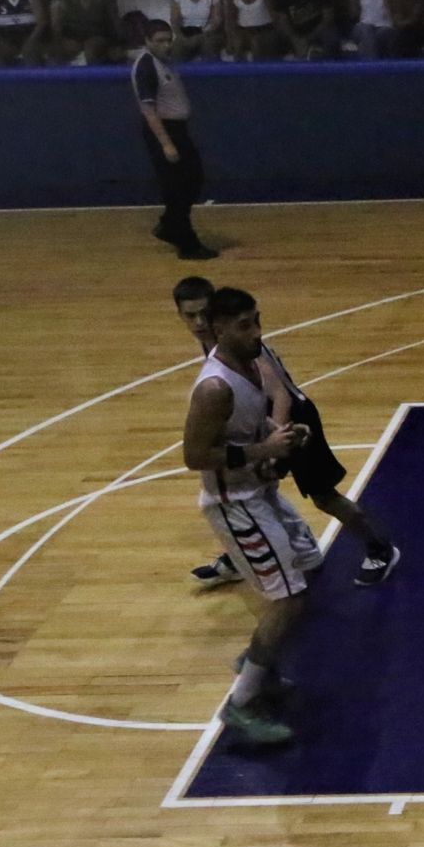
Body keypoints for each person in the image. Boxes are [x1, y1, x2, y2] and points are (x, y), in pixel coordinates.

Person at [174, 277, 402, 589]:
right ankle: (245, 556)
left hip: (291, 418)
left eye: (203, 314)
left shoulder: (245, 343)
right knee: (252, 493)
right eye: (190, 316)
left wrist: (276, 444)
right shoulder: (216, 346)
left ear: (218, 318)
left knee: (324, 497)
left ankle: (380, 547)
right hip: (263, 427)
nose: (199, 323)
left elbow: (279, 395)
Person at [182, 287, 316, 745]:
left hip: (258, 491)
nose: (256, 331)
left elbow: (256, 424)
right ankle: (241, 704)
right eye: (244, 325)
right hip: (234, 506)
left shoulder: (253, 364)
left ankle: (262, 667)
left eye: (257, 320)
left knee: (305, 574)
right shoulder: (214, 388)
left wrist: (280, 436)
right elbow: (195, 455)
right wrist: (262, 449)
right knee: (289, 598)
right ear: (218, 329)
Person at [132, 20, 217, 261]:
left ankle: (170, 225)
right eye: (159, 40)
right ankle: (186, 242)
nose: (166, 45)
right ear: (147, 41)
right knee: (177, 187)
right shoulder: (146, 66)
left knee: (191, 179)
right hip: (166, 130)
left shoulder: (163, 62)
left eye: (168, 40)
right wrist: (166, 143)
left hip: (177, 128)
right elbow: (148, 110)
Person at [51, 0, 121, 64]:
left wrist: (118, 43)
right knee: (56, 52)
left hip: (99, 36)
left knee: (90, 47)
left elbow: (115, 21)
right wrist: (61, 40)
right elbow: (59, 22)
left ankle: (93, 79)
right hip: (73, 36)